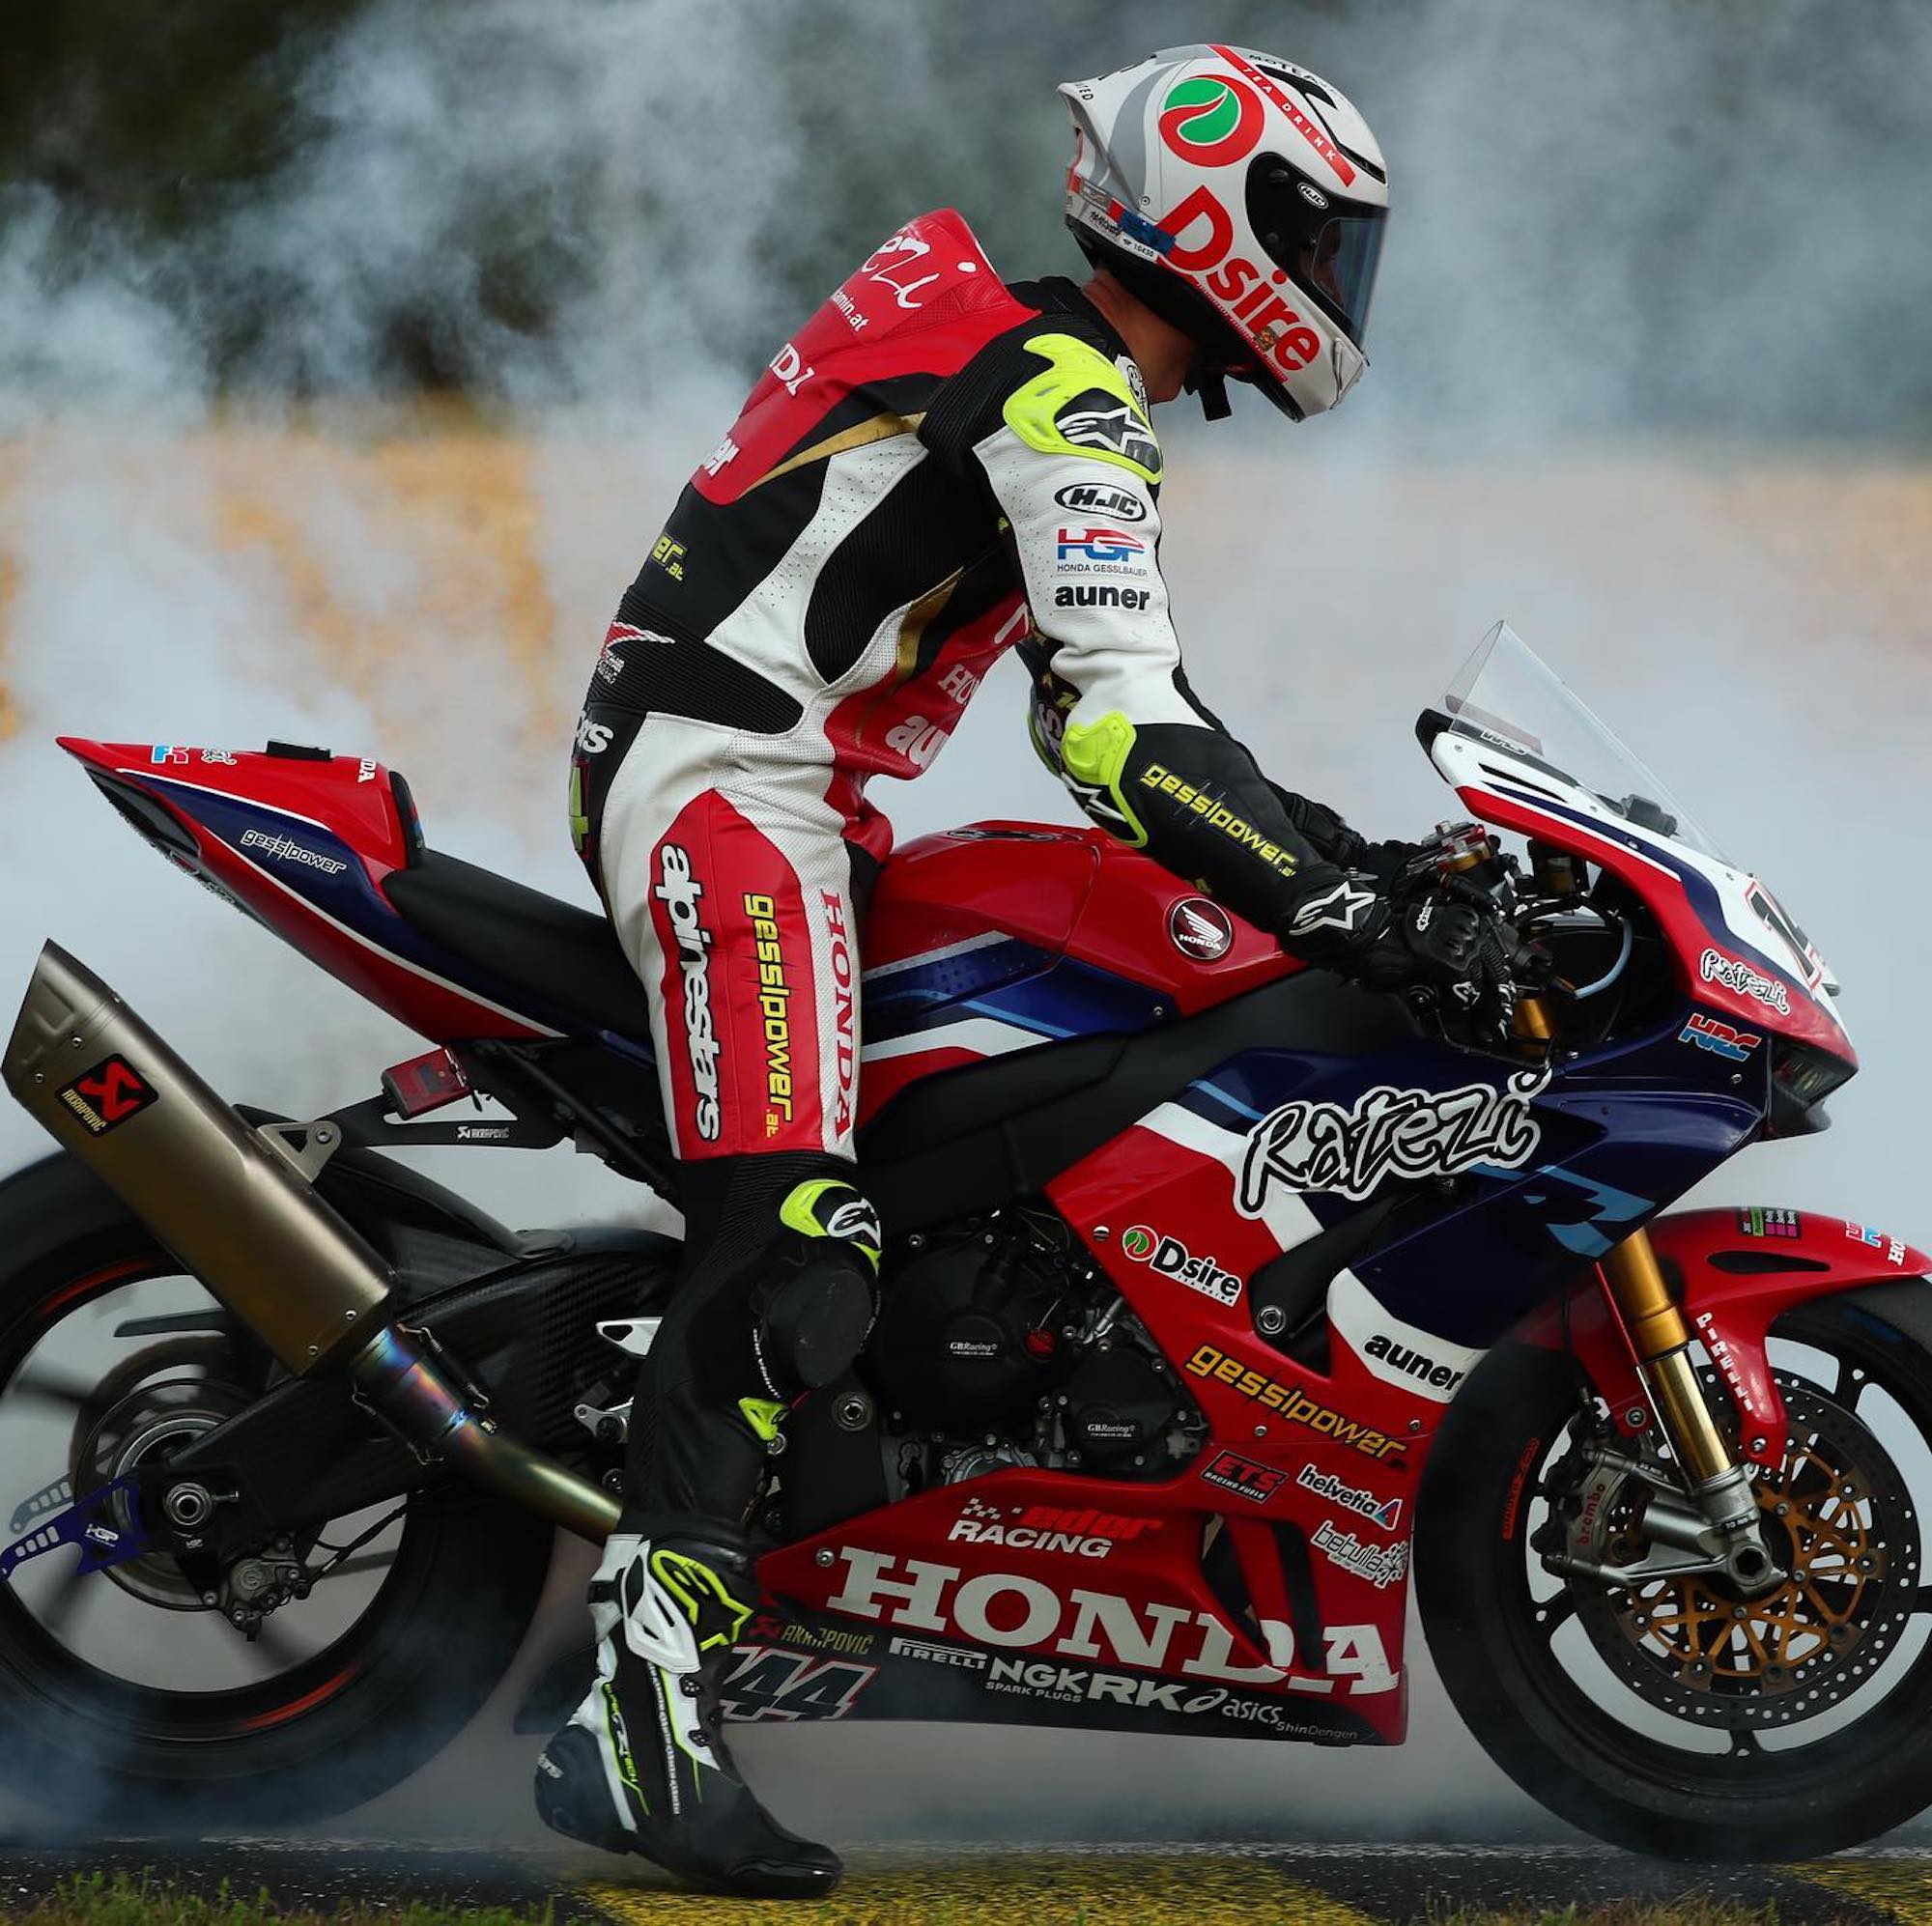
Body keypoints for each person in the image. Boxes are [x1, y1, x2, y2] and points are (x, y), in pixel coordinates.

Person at [535, 41, 1493, 1898]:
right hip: (731, 791)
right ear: (1220, 216)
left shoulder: (1024, 347)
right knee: (800, 1236)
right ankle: (633, 1726)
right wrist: (1358, 909)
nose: (1334, 283)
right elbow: (1128, 730)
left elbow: (1104, 708)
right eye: (1318, 237)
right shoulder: (1061, 387)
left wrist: (1358, 867)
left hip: (794, 794)